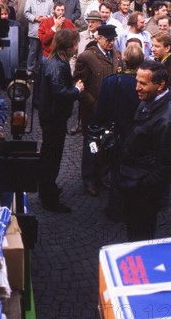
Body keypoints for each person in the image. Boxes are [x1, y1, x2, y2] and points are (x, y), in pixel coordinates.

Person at [117, 60, 171, 241]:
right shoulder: (149, 100)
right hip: (135, 183)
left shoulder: (170, 119)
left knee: (141, 236)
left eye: (143, 83)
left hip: (143, 192)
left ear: (160, 85)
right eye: (137, 81)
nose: (136, 88)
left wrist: (142, 186)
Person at [96, 45, 144, 221]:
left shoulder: (111, 81)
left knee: (116, 171)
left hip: (117, 133)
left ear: (124, 59)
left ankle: (116, 209)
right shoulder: (144, 83)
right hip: (137, 134)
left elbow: (100, 110)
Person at [38, 30, 84, 212]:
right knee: (51, 156)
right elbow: (60, 93)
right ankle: (49, 197)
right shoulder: (58, 65)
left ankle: (48, 188)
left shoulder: (55, 61)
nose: (76, 47)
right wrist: (77, 90)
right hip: (53, 117)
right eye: (75, 44)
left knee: (50, 154)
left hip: (51, 115)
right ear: (68, 46)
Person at [74, 24, 120, 197]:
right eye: (108, 39)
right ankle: (89, 179)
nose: (112, 43)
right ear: (99, 38)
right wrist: (92, 103)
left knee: (107, 143)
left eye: (113, 39)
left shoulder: (114, 54)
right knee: (91, 145)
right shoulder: (86, 57)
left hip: (110, 110)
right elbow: (78, 84)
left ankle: (101, 176)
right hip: (92, 111)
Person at [24, 0, 54, 77]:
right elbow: (26, 13)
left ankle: (41, 69)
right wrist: (35, 18)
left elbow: (53, 14)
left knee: (43, 52)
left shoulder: (50, 1)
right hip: (34, 30)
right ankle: (30, 70)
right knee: (32, 51)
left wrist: (46, 18)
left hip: (45, 32)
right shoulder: (30, 0)